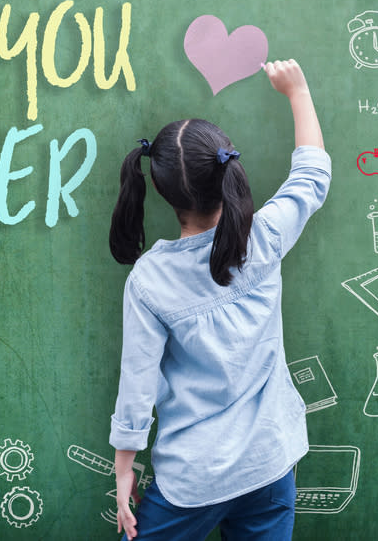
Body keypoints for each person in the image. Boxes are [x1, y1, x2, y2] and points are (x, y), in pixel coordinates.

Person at [108, 59, 329, 541]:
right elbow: (312, 177)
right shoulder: (263, 239)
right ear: (229, 170)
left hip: (193, 477)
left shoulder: (150, 280)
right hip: (270, 461)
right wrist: (298, 92)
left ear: (161, 190)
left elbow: (137, 382)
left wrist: (124, 466)